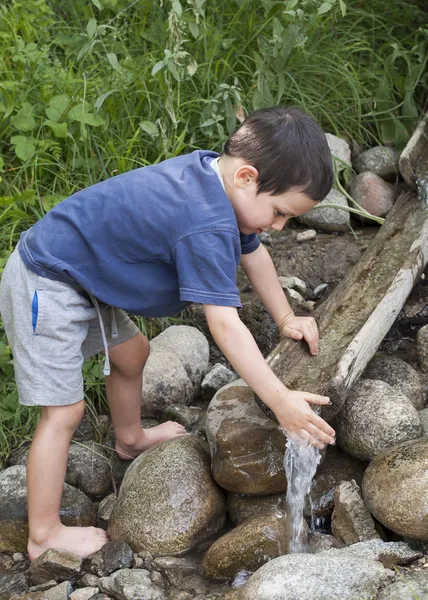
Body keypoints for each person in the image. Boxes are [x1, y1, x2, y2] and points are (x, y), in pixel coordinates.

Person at [0, 106, 336, 561]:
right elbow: (223, 323)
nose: (279, 226)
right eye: (279, 212)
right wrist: (280, 401)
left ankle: (130, 437)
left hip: (86, 277)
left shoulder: (215, 179)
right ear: (246, 177)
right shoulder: (204, 221)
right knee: (63, 412)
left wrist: (285, 318)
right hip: (50, 282)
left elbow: (253, 256)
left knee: (133, 356)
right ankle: (43, 534)